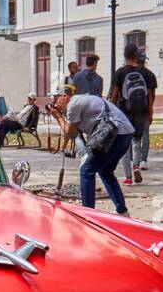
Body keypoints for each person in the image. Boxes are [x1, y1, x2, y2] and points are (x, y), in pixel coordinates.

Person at [55, 91, 133, 215]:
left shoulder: (73, 104)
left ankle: (88, 214)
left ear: (64, 97)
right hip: (126, 133)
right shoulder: (84, 99)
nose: (55, 103)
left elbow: (70, 133)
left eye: (56, 99)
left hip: (115, 134)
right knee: (105, 171)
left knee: (86, 170)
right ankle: (122, 211)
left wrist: (57, 116)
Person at [109, 43, 156, 185]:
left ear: (125, 56)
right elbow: (151, 95)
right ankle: (136, 165)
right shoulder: (147, 73)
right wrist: (150, 112)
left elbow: (115, 94)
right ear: (136, 55)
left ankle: (128, 177)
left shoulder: (120, 72)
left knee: (124, 144)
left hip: (124, 113)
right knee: (137, 141)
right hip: (141, 113)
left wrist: (111, 111)